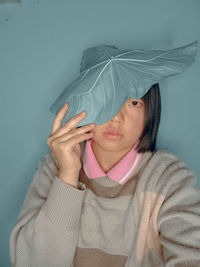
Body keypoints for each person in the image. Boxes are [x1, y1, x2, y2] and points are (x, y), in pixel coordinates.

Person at [9, 82, 200, 266]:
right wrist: (67, 176)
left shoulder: (169, 177)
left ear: (150, 110)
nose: (116, 117)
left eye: (134, 102)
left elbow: (191, 254)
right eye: (104, 97)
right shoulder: (54, 167)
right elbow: (30, 262)